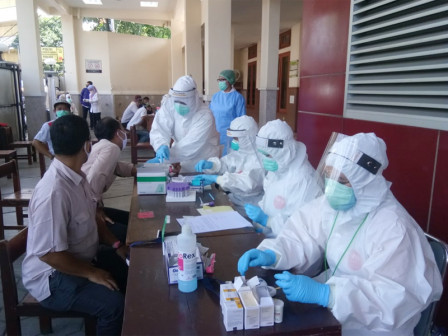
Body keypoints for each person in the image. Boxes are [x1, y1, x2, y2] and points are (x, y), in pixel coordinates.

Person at [237, 132, 443, 336]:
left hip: (374, 327)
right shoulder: (334, 205)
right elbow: (302, 233)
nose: (332, 187)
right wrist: (274, 253)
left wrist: (328, 294)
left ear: (365, 183)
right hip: (337, 312)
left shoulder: (393, 228)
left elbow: (394, 299)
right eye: (329, 175)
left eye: (341, 181)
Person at [22, 115, 128, 336]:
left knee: (130, 268)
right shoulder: (54, 191)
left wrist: (117, 243)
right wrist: (91, 273)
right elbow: (50, 255)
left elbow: (94, 218)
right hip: (53, 278)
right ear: (87, 145)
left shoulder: (77, 176)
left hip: (79, 260)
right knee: (113, 306)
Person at [245, 119, 321, 236]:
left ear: (284, 152)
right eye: (262, 154)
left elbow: (302, 229)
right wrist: (260, 223)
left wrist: (268, 221)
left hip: (287, 247)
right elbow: (268, 199)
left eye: (268, 155)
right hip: (269, 237)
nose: (265, 159)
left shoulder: (304, 181)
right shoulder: (278, 170)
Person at [147, 75, 220, 173]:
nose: (179, 105)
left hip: (202, 160)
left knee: (203, 185)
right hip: (178, 160)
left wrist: (164, 159)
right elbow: (159, 128)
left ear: (193, 97)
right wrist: (161, 146)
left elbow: (191, 145)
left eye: (184, 102)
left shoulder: (205, 115)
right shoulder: (169, 105)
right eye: (176, 101)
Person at [82, 117, 137, 243]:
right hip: (89, 208)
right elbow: (95, 178)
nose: (125, 134)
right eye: (123, 131)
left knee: (131, 219)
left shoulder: (102, 145)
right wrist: (97, 209)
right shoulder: (112, 148)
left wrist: (135, 170)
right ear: (118, 133)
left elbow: (114, 166)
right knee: (130, 229)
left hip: (88, 203)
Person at [193, 115, 264, 207]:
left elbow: (247, 182)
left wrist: (217, 179)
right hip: (235, 200)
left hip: (252, 205)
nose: (234, 141)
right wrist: (212, 165)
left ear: (247, 137)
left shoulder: (260, 157)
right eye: (233, 138)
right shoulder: (241, 152)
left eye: (236, 138)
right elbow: (227, 163)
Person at [210, 69, 246, 155]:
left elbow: (242, 119)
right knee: (215, 160)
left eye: (223, 80)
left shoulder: (237, 97)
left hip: (229, 136)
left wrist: (237, 139)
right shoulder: (215, 96)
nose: (220, 82)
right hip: (215, 134)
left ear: (230, 81)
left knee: (227, 160)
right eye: (219, 80)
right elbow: (209, 114)